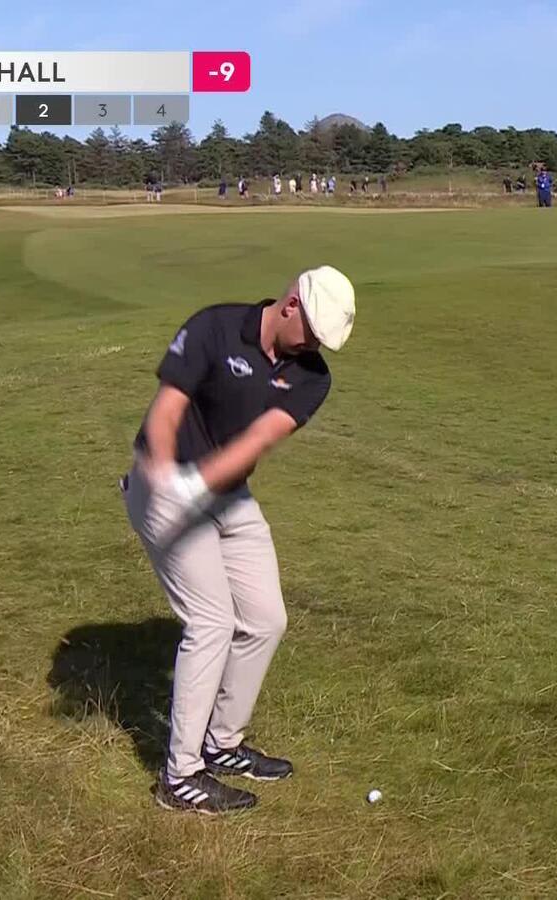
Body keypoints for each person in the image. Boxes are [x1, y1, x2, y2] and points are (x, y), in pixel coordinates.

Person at [124, 266, 356, 815]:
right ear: (292, 302)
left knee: (266, 619)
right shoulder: (215, 328)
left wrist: (198, 484)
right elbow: (166, 410)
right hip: (158, 485)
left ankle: (222, 743)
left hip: (224, 494)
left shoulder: (312, 378)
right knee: (211, 623)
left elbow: (259, 437)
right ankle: (179, 778)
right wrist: (165, 476)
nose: (315, 346)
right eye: (313, 332)